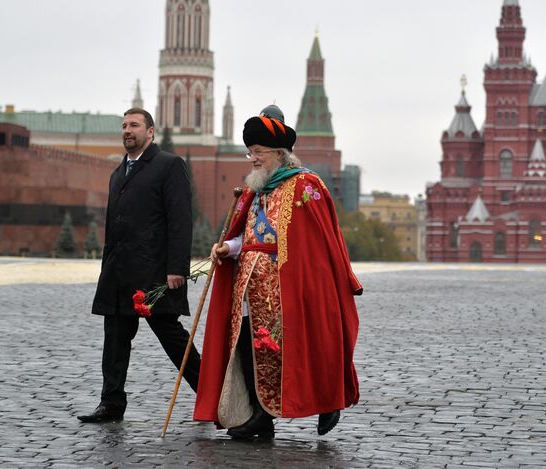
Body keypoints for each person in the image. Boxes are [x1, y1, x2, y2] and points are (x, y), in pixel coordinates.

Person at [193, 106, 362, 439]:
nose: (253, 159)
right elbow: (250, 235)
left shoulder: (306, 186)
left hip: (290, 286)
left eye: (258, 152)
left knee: (302, 345)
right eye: (250, 152)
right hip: (247, 285)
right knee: (245, 344)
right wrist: (231, 246)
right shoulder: (255, 190)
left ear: (279, 153)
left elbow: (321, 240)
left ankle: (327, 399)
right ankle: (259, 414)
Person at [78, 108, 200, 423]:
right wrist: (106, 269)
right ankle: (111, 403)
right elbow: (113, 226)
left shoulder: (169, 166)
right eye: (124, 126)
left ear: (150, 132)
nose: (127, 130)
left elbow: (180, 220)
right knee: (115, 341)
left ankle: (213, 397)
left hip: (154, 274)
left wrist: (177, 269)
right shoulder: (118, 173)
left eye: (134, 125)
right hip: (118, 275)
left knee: (172, 338)